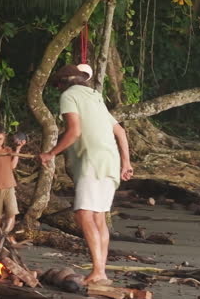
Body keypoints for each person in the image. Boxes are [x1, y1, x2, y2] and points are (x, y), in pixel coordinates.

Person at [39, 63, 133, 286]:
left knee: (83, 214)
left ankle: (99, 271)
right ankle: (101, 271)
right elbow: (119, 131)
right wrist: (126, 162)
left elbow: (74, 131)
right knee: (98, 216)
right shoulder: (93, 95)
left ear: (62, 84)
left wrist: (50, 153)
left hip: (92, 160)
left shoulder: (69, 96)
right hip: (110, 161)